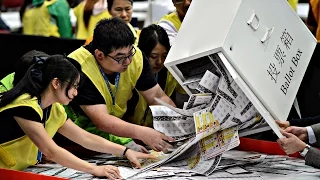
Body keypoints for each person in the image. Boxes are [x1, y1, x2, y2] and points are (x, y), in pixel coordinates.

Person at [0, 54, 155, 179]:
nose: (76, 92)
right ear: (56, 83)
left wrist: (125, 151)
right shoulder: (25, 106)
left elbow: (85, 138)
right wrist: (94, 169)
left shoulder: (53, 108)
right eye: (74, 86)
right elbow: (51, 151)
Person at [66, 18, 176, 152]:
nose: (128, 61)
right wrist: (143, 133)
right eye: (120, 57)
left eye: (130, 53)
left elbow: (157, 96)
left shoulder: (135, 58)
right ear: (99, 55)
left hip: (115, 134)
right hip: (78, 139)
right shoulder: (78, 67)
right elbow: (102, 121)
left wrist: (179, 122)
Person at [127, 24, 184, 128]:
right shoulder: (130, 70)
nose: (160, 62)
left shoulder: (169, 73)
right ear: (142, 53)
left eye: (164, 56)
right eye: (154, 56)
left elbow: (168, 103)